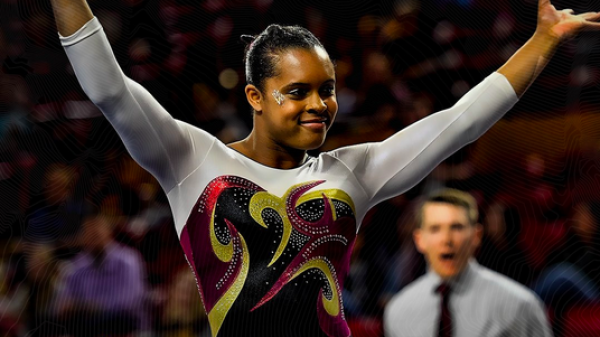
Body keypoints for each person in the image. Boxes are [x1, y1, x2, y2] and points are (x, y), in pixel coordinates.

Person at [48, 0, 600, 336]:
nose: (319, 105)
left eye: (327, 90)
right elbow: (111, 91)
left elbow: (459, 121)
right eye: (297, 92)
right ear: (254, 96)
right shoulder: (190, 158)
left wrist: (542, 41)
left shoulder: (353, 171)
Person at [383, 189, 552, 337]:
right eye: (435, 228)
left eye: (457, 227)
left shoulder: (520, 306)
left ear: (476, 235)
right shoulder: (398, 311)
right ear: (419, 240)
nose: (446, 239)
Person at [55, 214, 148, 337]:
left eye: (97, 232)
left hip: (126, 328)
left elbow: (128, 303)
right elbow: (63, 305)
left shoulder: (128, 260)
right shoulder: (77, 265)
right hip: (88, 327)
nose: (93, 237)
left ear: (108, 232)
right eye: (89, 233)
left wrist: (87, 307)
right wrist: (88, 308)